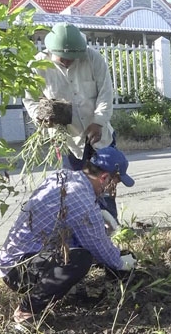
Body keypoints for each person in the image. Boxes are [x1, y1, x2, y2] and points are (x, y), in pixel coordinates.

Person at [0, 147, 137, 327]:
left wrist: (100, 213)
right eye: (114, 183)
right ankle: (25, 313)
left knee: (80, 246)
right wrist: (121, 262)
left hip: (16, 258)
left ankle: (70, 292)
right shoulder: (82, 200)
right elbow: (99, 246)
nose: (111, 189)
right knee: (80, 259)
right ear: (104, 178)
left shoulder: (65, 176)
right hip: (17, 270)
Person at [22, 23, 120, 218]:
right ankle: (83, 233)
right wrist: (42, 118)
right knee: (76, 190)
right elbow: (30, 100)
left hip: (100, 138)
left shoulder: (93, 59)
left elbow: (106, 94)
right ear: (51, 51)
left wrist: (98, 121)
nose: (68, 62)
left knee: (106, 185)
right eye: (63, 59)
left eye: (72, 58)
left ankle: (110, 228)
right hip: (67, 142)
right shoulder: (38, 66)